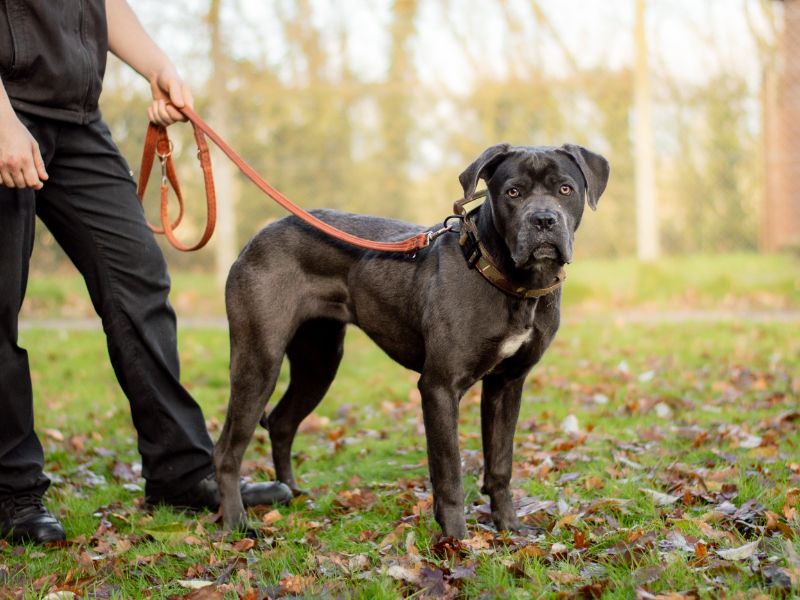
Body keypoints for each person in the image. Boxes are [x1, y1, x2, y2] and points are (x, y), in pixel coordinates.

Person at [0, 0, 292, 544]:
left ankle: (181, 470)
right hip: (7, 107)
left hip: (77, 118)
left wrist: (157, 66)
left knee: (139, 281)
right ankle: (12, 492)